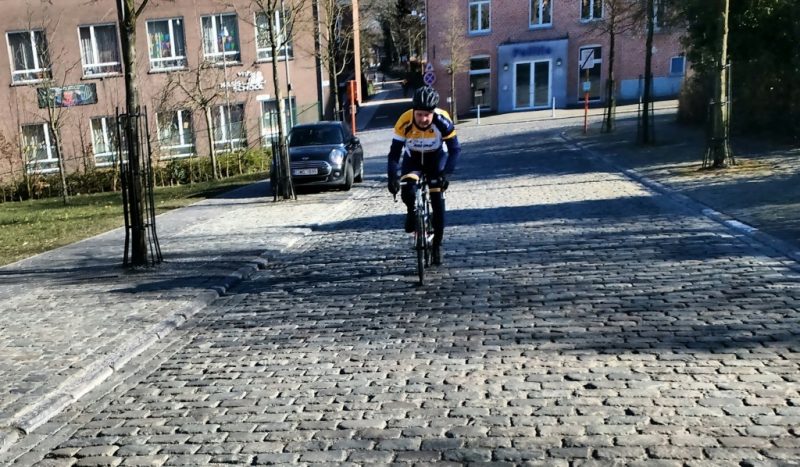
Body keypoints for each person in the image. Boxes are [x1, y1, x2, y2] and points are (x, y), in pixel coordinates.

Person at [387, 86, 461, 266]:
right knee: (408, 190)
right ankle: (411, 212)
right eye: (419, 114)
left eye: (427, 115)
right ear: (414, 111)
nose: (422, 119)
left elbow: (454, 149)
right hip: (413, 160)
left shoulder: (442, 120)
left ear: (433, 112)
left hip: (436, 159)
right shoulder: (404, 120)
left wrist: (447, 173)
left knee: (437, 202)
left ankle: (436, 246)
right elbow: (394, 153)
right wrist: (392, 177)